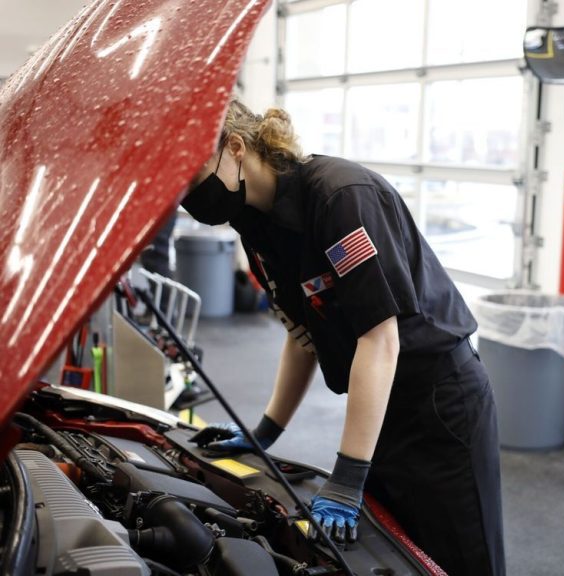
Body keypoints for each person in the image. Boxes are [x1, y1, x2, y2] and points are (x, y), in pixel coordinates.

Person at [183, 99, 505, 576]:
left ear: (234, 147)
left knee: (458, 562)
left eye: (192, 177)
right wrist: (265, 431)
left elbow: (381, 339)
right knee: (394, 557)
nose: (190, 196)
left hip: (438, 405)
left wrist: (349, 475)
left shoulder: (340, 198)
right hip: (377, 410)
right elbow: (302, 331)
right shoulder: (255, 221)